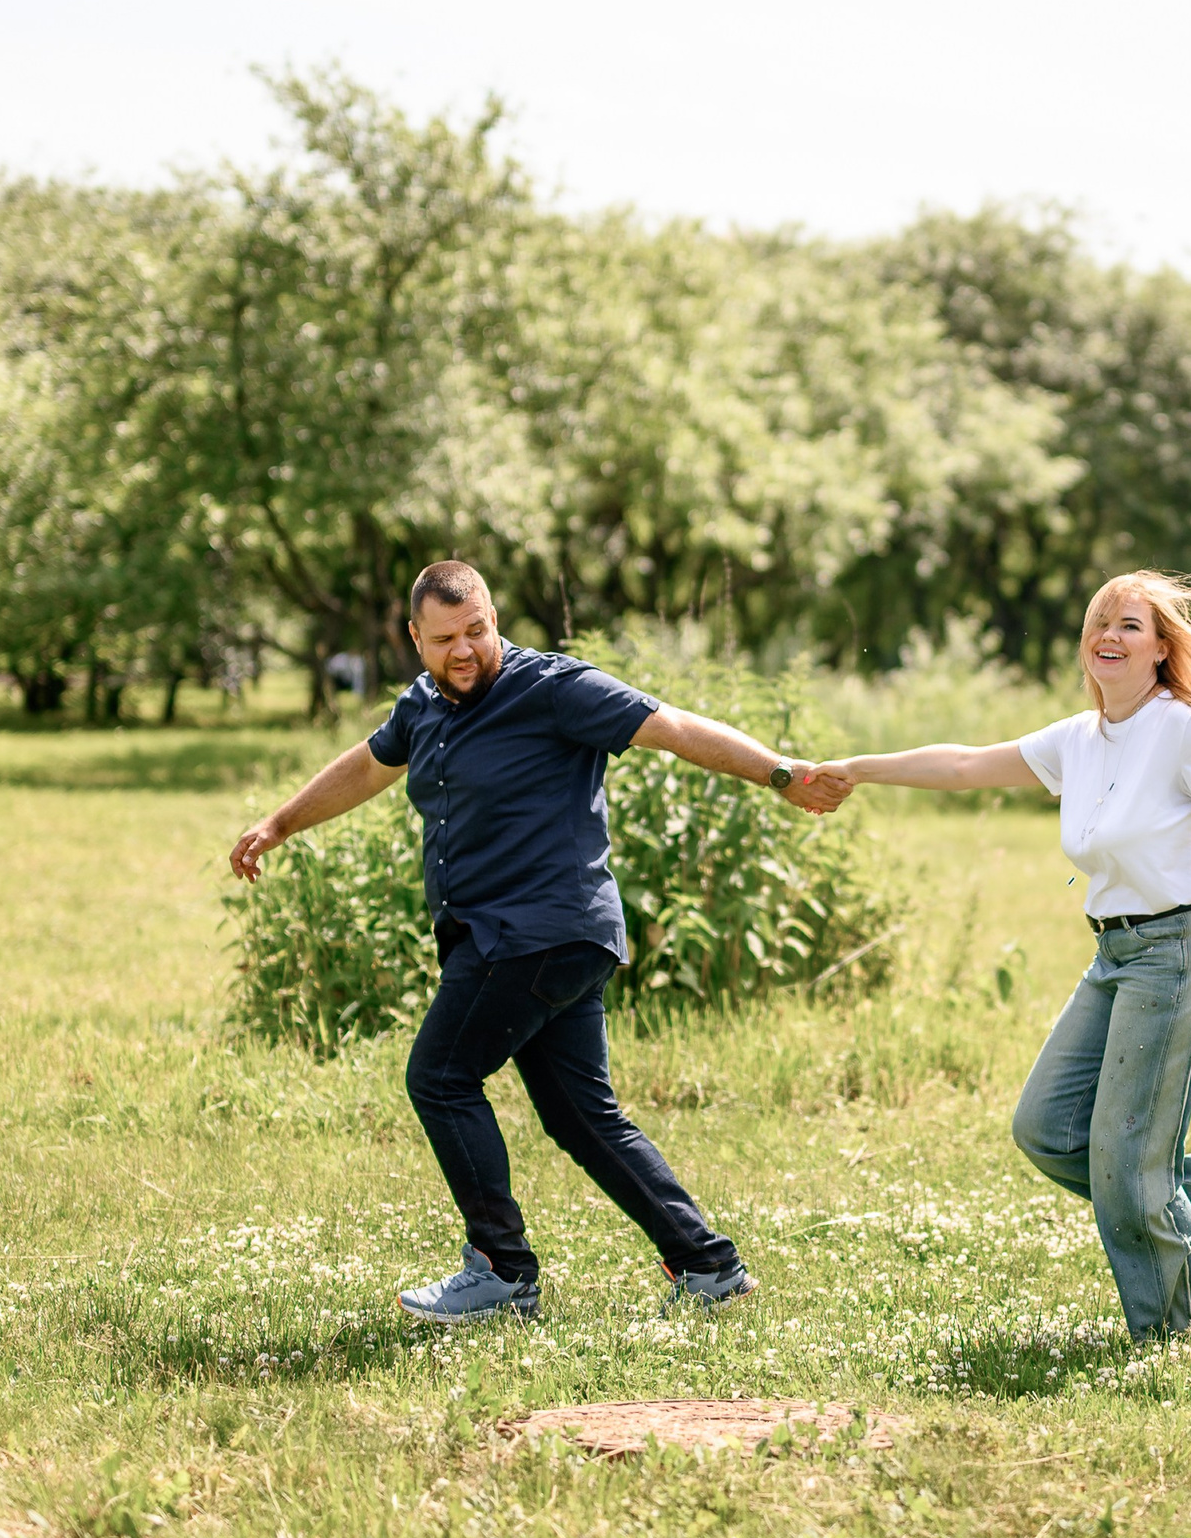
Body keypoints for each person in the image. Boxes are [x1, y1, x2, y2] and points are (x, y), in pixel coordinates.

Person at [228, 561, 847, 1322]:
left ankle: (502, 1270)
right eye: (446, 638)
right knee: (580, 1113)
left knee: (441, 1076)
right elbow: (368, 765)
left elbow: (675, 727)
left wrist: (781, 773)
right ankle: (708, 1264)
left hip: (541, 930)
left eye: (478, 630)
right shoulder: (421, 705)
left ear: (495, 617)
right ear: (415, 639)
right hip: (514, 936)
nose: (465, 650)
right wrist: (281, 822)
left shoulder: (553, 687)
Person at [814, 572, 1191, 1342]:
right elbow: (961, 765)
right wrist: (857, 767)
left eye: (1129, 625)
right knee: (1047, 1125)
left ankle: (1184, 1338)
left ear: (1160, 649)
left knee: (1126, 1158)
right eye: (1099, 624)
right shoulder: (1079, 740)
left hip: (1187, 947)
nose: (1109, 637)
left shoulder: (1186, 728)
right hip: (1117, 953)